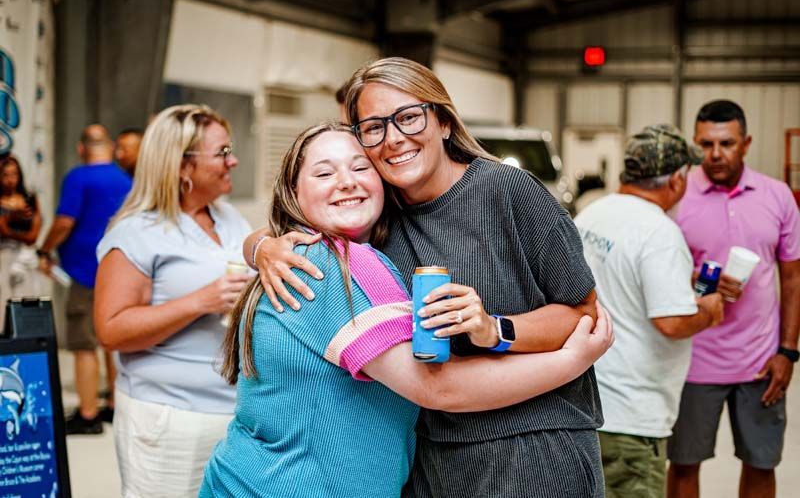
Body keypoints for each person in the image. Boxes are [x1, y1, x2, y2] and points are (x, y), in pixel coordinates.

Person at [245, 57, 605, 497]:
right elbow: (311, 224)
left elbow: (584, 313)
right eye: (374, 127)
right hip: (433, 454)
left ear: (445, 123)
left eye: (409, 117)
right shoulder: (379, 214)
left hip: (531, 446)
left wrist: (495, 329)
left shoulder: (508, 192)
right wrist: (262, 246)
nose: (394, 139)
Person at [94, 104, 251, 497]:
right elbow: (111, 330)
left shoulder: (230, 218)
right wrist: (200, 301)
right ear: (183, 166)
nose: (233, 161)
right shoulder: (137, 233)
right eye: (221, 153)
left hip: (235, 413)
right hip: (171, 419)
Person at [574, 124, 725, 498]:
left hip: (585, 400)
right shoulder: (659, 232)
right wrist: (709, 310)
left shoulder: (592, 214)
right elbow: (671, 322)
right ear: (676, 180)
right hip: (633, 418)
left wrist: (676, 279)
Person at [667, 100, 800, 498]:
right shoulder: (677, 196)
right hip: (693, 361)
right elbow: (658, 269)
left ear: (746, 144)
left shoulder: (777, 197)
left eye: (727, 143)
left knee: (761, 464)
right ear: (695, 144)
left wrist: (788, 353)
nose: (716, 154)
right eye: (706, 144)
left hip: (759, 362)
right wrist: (694, 275)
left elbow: (792, 278)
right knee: (684, 464)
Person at [37, 124, 131, 434]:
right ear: (111, 147)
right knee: (111, 340)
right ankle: (114, 406)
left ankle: (88, 414)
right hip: (117, 270)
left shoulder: (78, 177)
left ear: (81, 149)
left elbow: (65, 221)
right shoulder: (125, 179)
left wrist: (44, 249)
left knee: (83, 343)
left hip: (83, 272)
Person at [0, 155, 42, 326]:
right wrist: (10, 219)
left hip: (24, 258)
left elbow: (32, 236)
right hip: (3, 257)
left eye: (14, 174)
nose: (10, 180)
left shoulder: (29, 199)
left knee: (25, 300)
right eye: (5, 175)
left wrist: (9, 230)